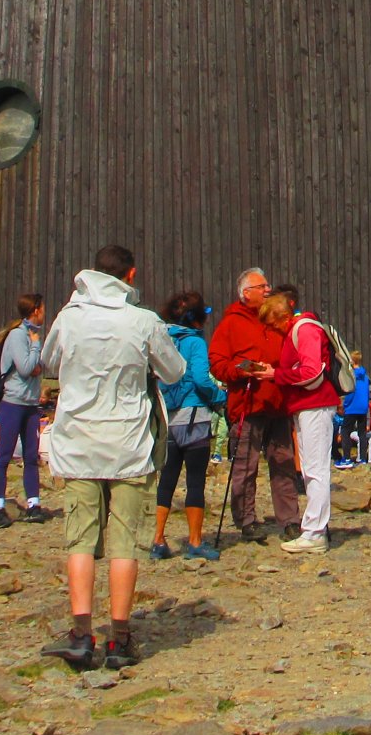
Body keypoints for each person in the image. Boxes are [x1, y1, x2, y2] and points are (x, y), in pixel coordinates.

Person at [39, 244, 182, 671]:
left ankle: (82, 633)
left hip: (80, 440)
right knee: (124, 543)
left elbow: (48, 362)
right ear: (131, 276)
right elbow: (173, 372)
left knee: (80, 539)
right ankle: (119, 637)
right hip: (128, 443)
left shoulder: (69, 318)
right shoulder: (143, 322)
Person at [210, 267, 297, 544]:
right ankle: (246, 520)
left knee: (283, 463)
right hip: (248, 403)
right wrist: (241, 370)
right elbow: (218, 363)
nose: (267, 290)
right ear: (246, 293)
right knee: (245, 466)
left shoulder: (277, 319)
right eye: (262, 287)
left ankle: (290, 520)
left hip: (279, 403)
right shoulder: (231, 324)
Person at [151, 290, 228, 560]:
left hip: (167, 416)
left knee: (167, 479)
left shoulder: (162, 339)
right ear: (197, 319)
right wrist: (220, 397)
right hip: (194, 416)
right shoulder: (195, 343)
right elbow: (200, 379)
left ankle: (158, 539)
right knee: (195, 481)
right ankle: (195, 541)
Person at [264, 286, 340, 553]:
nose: (272, 330)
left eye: (272, 325)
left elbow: (311, 372)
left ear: (281, 316)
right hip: (307, 405)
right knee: (311, 468)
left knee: (316, 469)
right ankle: (314, 528)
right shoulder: (299, 329)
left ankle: (316, 532)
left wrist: (277, 375)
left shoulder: (304, 329)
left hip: (315, 405)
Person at [0, 293, 51, 527]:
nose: (44, 312)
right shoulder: (18, 336)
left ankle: (34, 504)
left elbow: (37, 367)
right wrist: (34, 348)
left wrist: (34, 363)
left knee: (31, 456)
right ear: (35, 310)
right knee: (3, 456)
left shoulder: (31, 335)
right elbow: (25, 368)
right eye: (42, 308)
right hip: (12, 403)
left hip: (30, 404)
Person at [337, 351, 370, 470]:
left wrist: (345, 404)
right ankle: (362, 459)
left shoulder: (351, 375)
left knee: (345, 431)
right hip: (363, 407)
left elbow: (350, 392)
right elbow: (367, 392)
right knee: (362, 433)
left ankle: (346, 458)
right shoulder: (365, 376)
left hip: (352, 407)